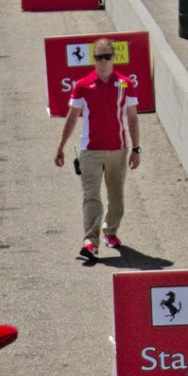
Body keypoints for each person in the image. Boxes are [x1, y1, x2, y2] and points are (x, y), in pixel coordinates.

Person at [53, 38, 141, 258]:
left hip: (118, 150)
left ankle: (110, 231)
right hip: (90, 151)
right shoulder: (83, 85)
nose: (102, 62)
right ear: (93, 59)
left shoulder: (125, 84)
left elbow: (132, 118)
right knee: (91, 195)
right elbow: (72, 117)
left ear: (113, 58)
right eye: (98, 57)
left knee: (116, 196)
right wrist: (60, 146)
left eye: (107, 57)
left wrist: (136, 149)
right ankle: (90, 242)